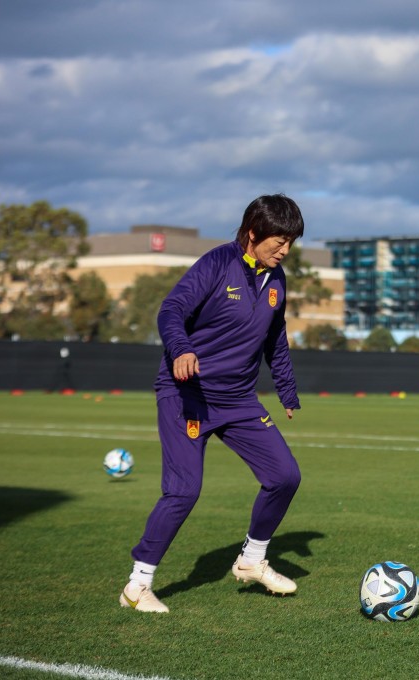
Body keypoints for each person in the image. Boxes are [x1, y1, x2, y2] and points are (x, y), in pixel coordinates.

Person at [119, 194, 306, 613]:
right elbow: (171, 310)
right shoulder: (217, 264)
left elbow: (275, 340)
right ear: (253, 233)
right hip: (188, 394)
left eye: (291, 242)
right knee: (183, 491)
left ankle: (252, 561)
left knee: (285, 476)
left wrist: (287, 390)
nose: (285, 251)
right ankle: (137, 584)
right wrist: (182, 348)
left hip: (239, 399)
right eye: (279, 241)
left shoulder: (277, 279)